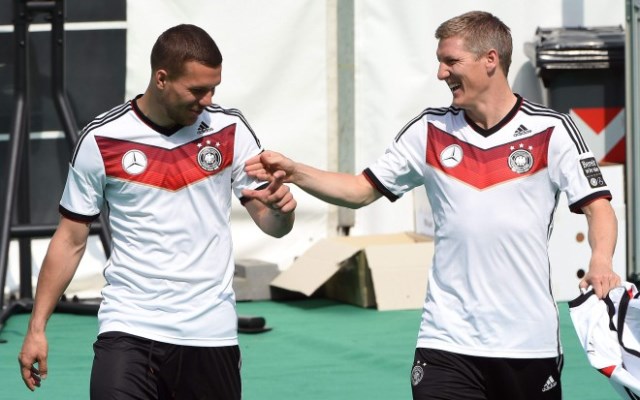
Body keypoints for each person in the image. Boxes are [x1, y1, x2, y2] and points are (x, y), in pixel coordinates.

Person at [242, 11, 620, 400]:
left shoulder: (552, 130)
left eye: (451, 61)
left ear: (491, 59)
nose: (441, 73)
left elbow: (598, 206)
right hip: (446, 341)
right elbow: (360, 190)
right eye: (440, 62)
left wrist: (601, 260)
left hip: (527, 343)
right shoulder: (429, 129)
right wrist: (295, 171)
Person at [18, 24, 296, 400]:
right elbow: (69, 239)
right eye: (197, 90)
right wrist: (37, 327)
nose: (208, 100)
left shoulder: (229, 129)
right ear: (161, 78)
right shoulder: (102, 138)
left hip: (210, 332)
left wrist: (281, 211)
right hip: (129, 327)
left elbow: (272, 223)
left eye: (214, 88)